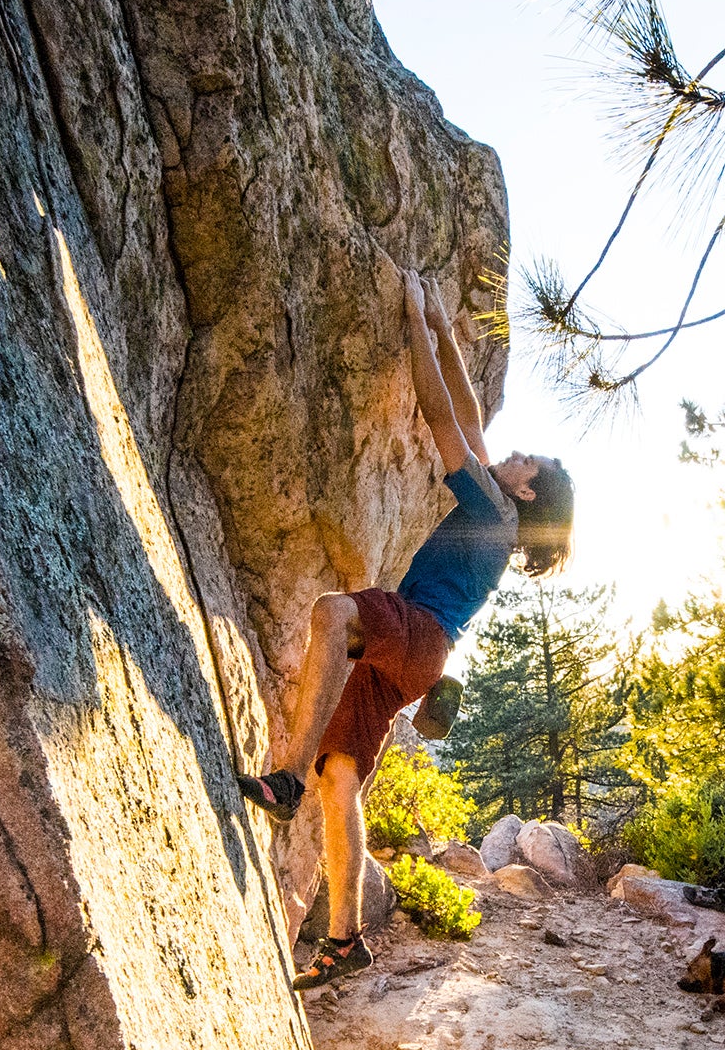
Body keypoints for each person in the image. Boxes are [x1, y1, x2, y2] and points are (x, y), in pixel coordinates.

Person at [238, 268, 574, 989]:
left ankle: (287, 775)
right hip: (420, 660)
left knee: (334, 612)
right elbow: (473, 415)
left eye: (528, 462)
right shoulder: (499, 512)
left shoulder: (491, 509)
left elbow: (443, 418)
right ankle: (345, 938)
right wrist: (446, 330)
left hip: (418, 632)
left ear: (523, 489)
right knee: (345, 777)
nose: (517, 454)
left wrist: (416, 323)